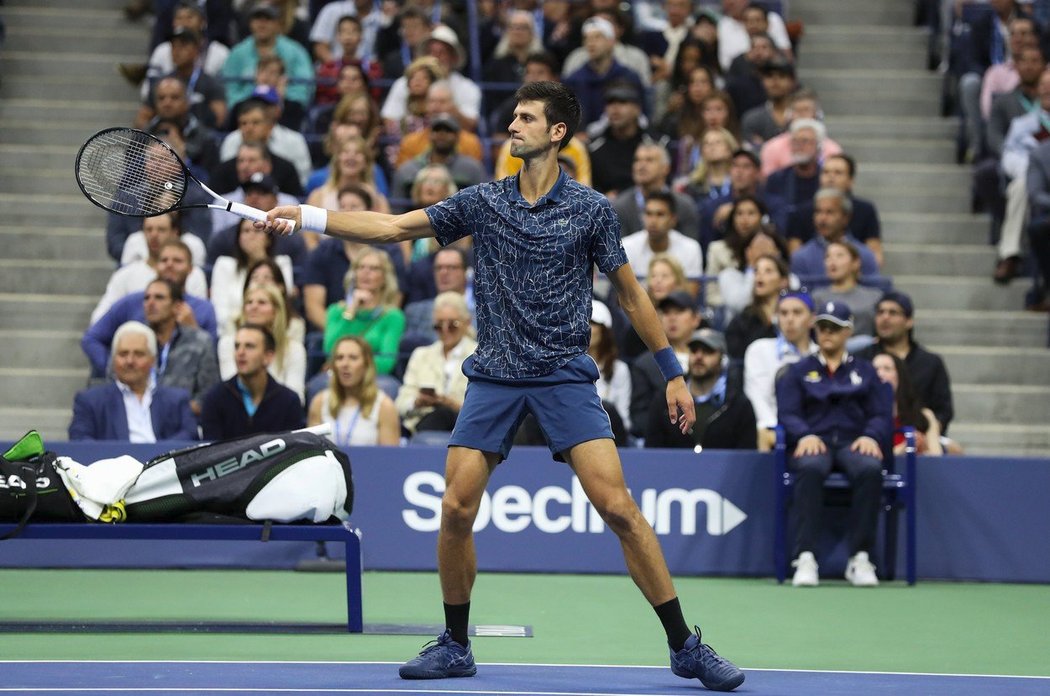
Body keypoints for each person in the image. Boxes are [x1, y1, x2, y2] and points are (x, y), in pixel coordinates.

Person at [260, 80, 744, 691]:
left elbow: (630, 294)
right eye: (512, 117)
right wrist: (305, 214)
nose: (511, 127)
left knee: (619, 509)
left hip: (565, 374)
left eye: (525, 118)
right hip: (494, 375)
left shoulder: (592, 209)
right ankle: (456, 644)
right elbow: (390, 228)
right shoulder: (483, 202)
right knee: (456, 508)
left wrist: (673, 372)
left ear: (557, 133)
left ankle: (684, 646)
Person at [776, 300, 893, 588]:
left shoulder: (866, 372)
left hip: (854, 442)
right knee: (811, 468)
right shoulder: (797, 371)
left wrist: (871, 436)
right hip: (815, 441)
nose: (827, 333)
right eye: (823, 327)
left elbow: (881, 413)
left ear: (848, 332)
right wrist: (803, 434)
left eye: (835, 328)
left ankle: (861, 557)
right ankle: (805, 556)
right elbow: (787, 412)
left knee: (869, 469)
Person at [69, 321, 198, 442]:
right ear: (113, 360)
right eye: (123, 354)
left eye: (138, 354)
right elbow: (80, 440)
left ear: (153, 360)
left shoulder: (177, 399)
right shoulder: (90, 401)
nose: (130, 361)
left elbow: (190, 436)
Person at [854, 291, 955, 434]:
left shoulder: (931, 363)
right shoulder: (860, 359)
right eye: (880, 312)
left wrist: (927, 435)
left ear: (909, 321)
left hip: (922, 436)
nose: (885, 317)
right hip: (869, 437)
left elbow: (943, 411)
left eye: (893, 313)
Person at [645, 328, 757, 450]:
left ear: (722, 359)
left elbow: (746, 455)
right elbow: (652, 452)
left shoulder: (739, 405)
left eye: (708, 351)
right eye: (694, 350)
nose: (699, 356)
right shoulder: (665, 401)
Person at [91, 213, 208, 324]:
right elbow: (99, 317)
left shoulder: (193, 274)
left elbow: (201, 314)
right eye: (149, 229)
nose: (154, 235)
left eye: (161, 229)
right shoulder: (124, 275)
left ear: (174, 233)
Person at [199, 324, 306, 440]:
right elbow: (210, 453)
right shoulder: (215, 398)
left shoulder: (289, 401)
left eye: (249, 346)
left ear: (268, 357)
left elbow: (294, 451)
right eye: (237, 346)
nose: (240, 352)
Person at [744, 290, 817, 452]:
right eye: (783, 313)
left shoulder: (820, 355)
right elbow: (758, 398)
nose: (789, 319)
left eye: (797, 312)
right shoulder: (759, 349)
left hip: (813, 432)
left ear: (812, 319)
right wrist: (778, 429)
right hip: (773, 432)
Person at [395, 292, 477, 437]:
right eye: (439, 325)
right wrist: (417, 402)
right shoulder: (421, 355)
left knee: (443, 413)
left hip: (467, 424)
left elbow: (485, 407)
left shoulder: (479, 356)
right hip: (423, 421)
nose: (445, 330)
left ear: (467, 322)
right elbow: (401, 403)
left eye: (452, 325)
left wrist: (452, 404)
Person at [218, 282, 307, 402]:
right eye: (249, 302)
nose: (253, 307)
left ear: (276, 311)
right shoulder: (229, 344)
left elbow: (296, 398)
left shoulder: (294, 349)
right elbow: (230, 391)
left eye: (262, 302)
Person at [143, 278, 220, 417]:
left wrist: (171, 412)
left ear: (177, 306)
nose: (151, 303)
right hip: (139, 422)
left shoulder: (200, 342)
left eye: (159, 297)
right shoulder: (135, 341)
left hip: (183, 424)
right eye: (147, 298)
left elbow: (208, 396)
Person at [324, 248, 406, 375]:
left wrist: (353, 366)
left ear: (385, 278)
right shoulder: (336, 311)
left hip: (374, 376)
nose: (365, 272)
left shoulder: (393, 316)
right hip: (338, 376)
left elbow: (387, 361)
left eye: (374, 268)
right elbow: (329, 351)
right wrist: (351, 311)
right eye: (360, 267)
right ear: (354, 274)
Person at [308, 335, 401, 446]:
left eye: (353, 358)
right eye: (339, 358)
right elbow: (311, 454)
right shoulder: (319, 402)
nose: (345, 364)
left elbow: (390, 459)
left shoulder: (385, 407)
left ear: (366, 364)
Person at [210, 218, 295, 338]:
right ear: (238, 237)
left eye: (257, 231)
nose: (251, 236)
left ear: (269, 238)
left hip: (275, 333)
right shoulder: (224, 265)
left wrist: (260, 256)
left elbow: (281, 303)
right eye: (246, 231)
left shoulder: (282, 263)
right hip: (232, 333)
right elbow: (220, 313)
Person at [620, 191, 704, 297]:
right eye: (648, 214)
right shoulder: (626, 246)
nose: (653, 221)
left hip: (677, 310)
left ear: (673, 219)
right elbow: (623, 296)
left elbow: (690, 296)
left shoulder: (691, 248)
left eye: (660, 214)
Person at [612, 143, 700, 241]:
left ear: (666, 168)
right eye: (637, 160)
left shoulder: (684, 205)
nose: (641, 166)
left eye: (649, 160)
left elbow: (690, 248)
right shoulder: (619, 207)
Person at [872, 352, 944, 457]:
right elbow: (868, 461)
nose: (880, 374)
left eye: (887, 369)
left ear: (900, 376)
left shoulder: (924, 416)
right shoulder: (861, 415)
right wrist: (905, 447)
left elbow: (937, 458)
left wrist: (923, 449)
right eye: (875, 370)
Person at [725, 255, 790, 363]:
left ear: (783, 281)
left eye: (768, 271)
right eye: (756, 271)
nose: (760, 275)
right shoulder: (743, 320)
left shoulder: (793, 316)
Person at [812, 241, 883, 340]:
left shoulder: (874, 296)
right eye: (827, 257)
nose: (832, 261)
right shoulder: (817, 297)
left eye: (839, 255)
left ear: (855, 263)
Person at [588, 298, 632, 443]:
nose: (586, 328)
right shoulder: (566, 367)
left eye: (593, 323)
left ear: (604, 330)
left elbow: (623, 419)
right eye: (584, 322)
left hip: (609, 436)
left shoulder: (619, 370)